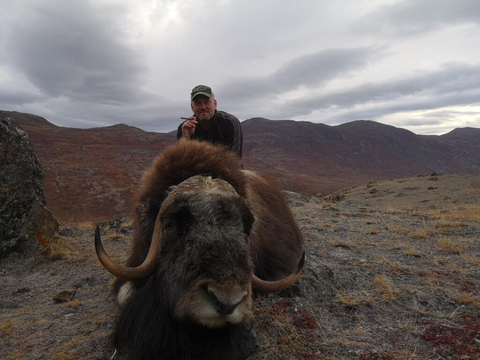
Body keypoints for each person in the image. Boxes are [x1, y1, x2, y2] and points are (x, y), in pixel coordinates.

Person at [177, 85, 243, 158]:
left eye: (207, 102)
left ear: (215, 104)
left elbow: (234, 159)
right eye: (198, 103)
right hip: (193, 169)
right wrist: (186, 137)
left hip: (226, 168)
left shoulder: (229, 123)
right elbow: (180, 160)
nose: (203, 107)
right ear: (192, 107)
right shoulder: (185, 128)